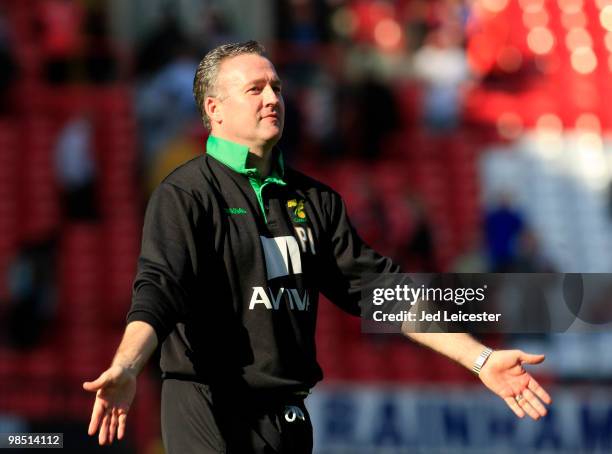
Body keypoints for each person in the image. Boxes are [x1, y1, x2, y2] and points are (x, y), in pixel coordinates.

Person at [83, 41, 551, 453]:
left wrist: (481, 359)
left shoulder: (316, 200)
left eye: (277, 88)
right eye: (255, 89)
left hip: (288, 417)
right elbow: (158, 292)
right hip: (207, 407)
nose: (272, 99)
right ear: (214, 108)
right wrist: (126, 366)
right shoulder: (185, 194)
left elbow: (383, 293)